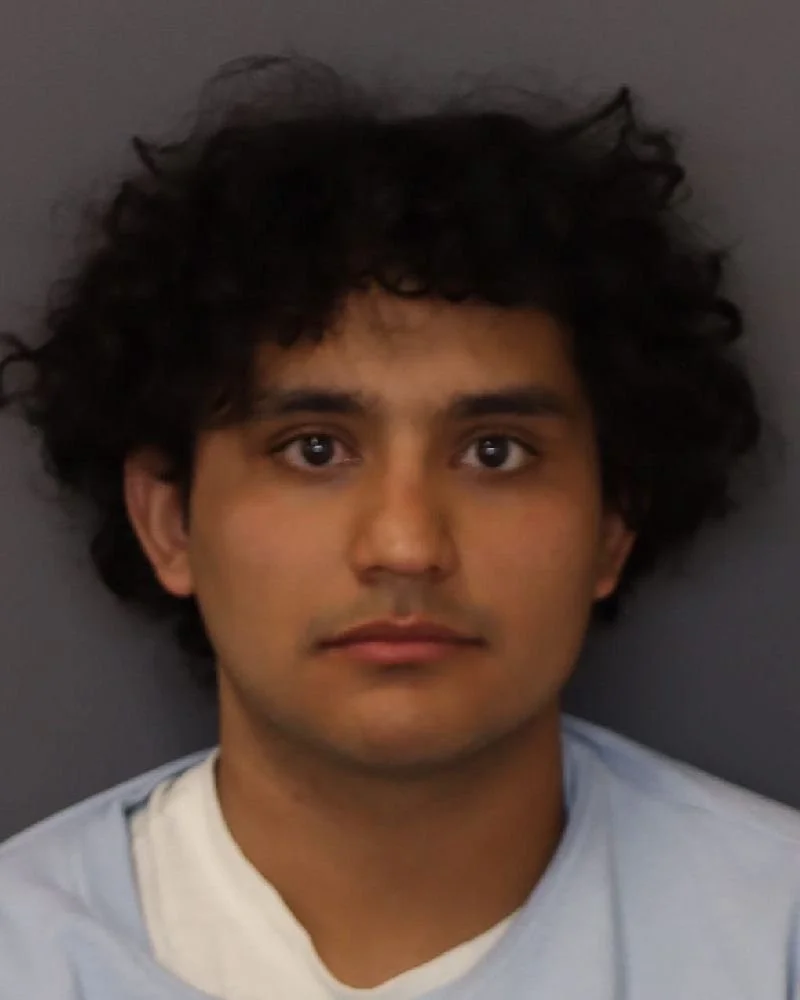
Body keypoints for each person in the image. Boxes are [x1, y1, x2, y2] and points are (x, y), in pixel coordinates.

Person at [0, 53, 797, 1000]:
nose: (406, 546)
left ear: (612, 524)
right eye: (314, 450)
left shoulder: (773, 938)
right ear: (169, 520)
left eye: (495, 452)